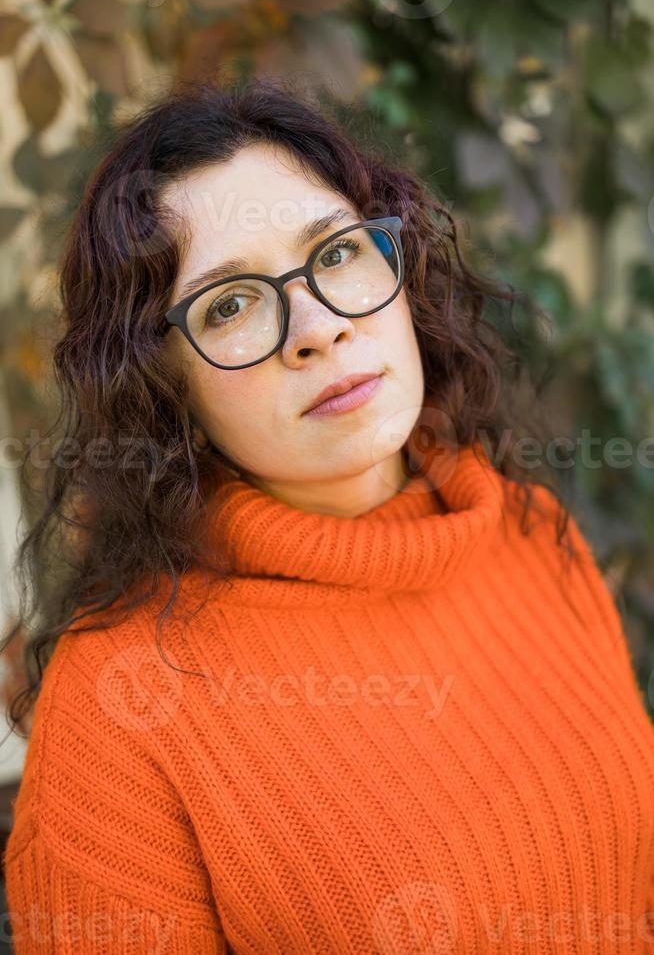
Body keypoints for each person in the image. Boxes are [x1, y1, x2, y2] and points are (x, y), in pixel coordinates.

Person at [3, 77, 654, 954]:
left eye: (337, 252)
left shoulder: (533, 534)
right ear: (163, 387)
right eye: (229, 304)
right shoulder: (120, 709)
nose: (317, 326)